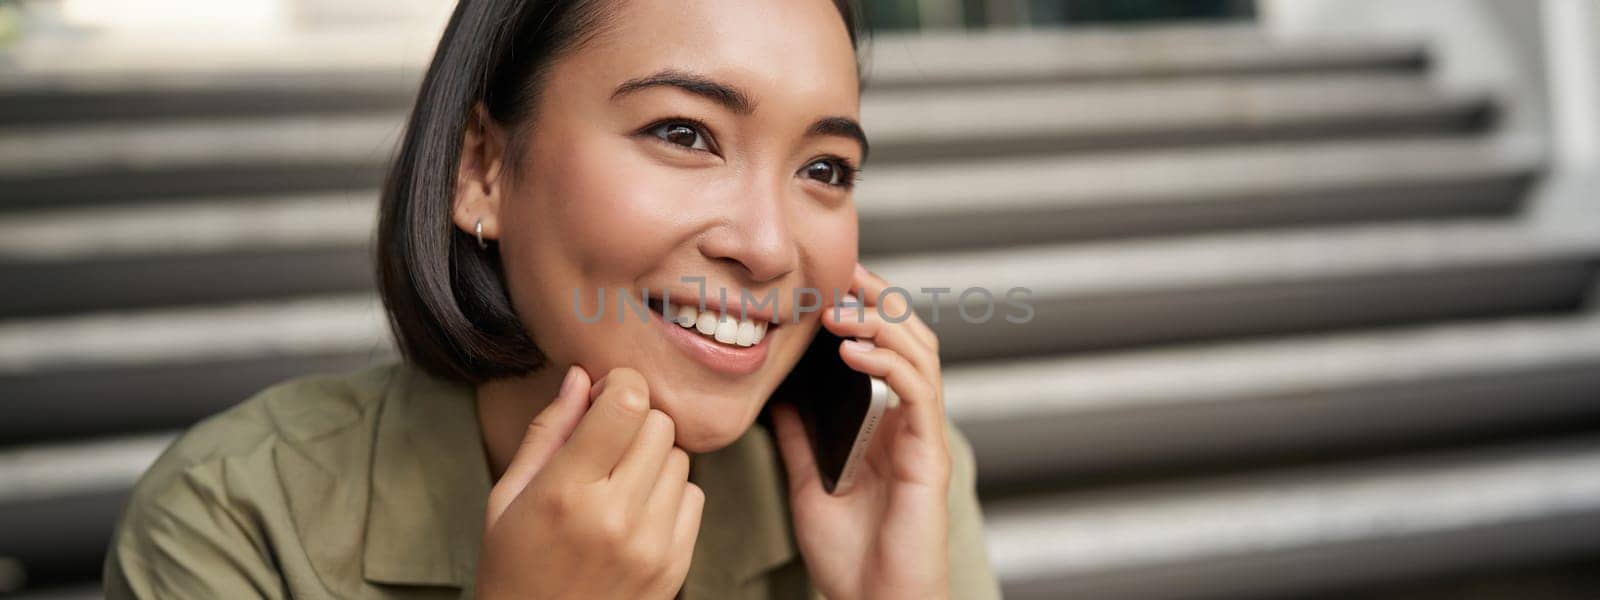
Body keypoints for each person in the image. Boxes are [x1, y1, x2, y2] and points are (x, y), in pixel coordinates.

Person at [104, 0, 1000, 598]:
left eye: (824, 169)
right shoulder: (234, 518)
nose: (768, 246)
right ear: (482, 170)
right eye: (685, 133)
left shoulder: (885, 483)